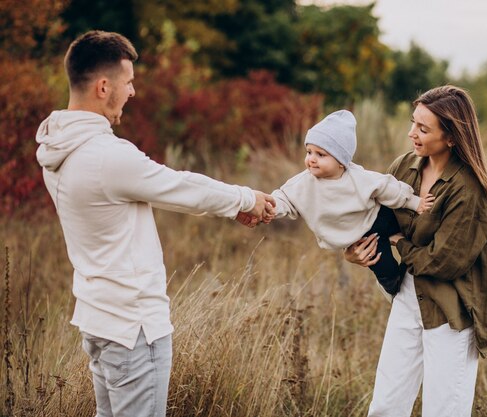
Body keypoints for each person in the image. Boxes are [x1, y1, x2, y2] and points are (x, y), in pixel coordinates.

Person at [35, 30, 274, 417]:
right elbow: (180, 186)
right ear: (102, 86)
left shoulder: (56, 150)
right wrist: (246, 199)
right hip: (133, 329)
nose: (132, 92)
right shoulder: (107, 156)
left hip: (99, 322)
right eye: (128, 83)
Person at [344, 86, 487, 417]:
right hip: (408, 297)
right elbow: (375, 221)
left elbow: (445, 262)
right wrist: (354, 250)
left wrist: (401, 243)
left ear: (451, 138)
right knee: (386, 406)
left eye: (423, 128)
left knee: (444, 411)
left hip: (451, 312)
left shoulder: (469, 189)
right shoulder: (403, 168)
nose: (411, 133)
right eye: (413, 122)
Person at [266, 110, 434, 297]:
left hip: (378, 216)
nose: (311, 159)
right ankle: (396, 288)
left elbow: (387, 188)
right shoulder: (303, 184)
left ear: (341, 162)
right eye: (309, 152)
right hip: (363, 237)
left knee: (410, 227)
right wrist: (270, 208)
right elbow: (284, 198)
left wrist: (415, 202)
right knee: (383, 266)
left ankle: (425, 252)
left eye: (321, 154)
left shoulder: (357, 177)